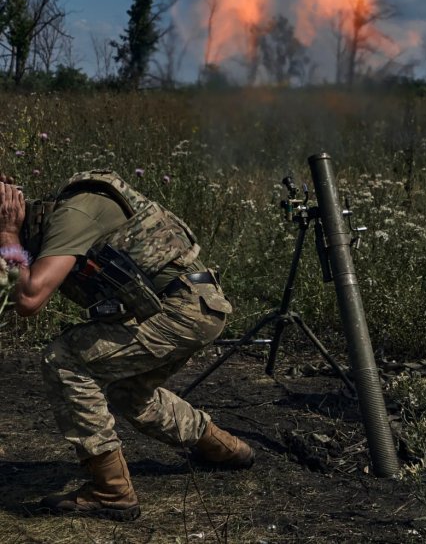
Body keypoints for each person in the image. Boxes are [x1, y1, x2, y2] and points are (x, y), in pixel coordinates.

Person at [0, 169, 255, 521]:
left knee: (65, 357)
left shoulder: (72, 215)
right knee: (128, 393)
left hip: (182, 308)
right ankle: (225, 449)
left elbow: (29, 298)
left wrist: (7, 233)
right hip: (189, 308)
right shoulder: (50, 227)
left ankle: (110, 491)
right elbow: (11, 293)